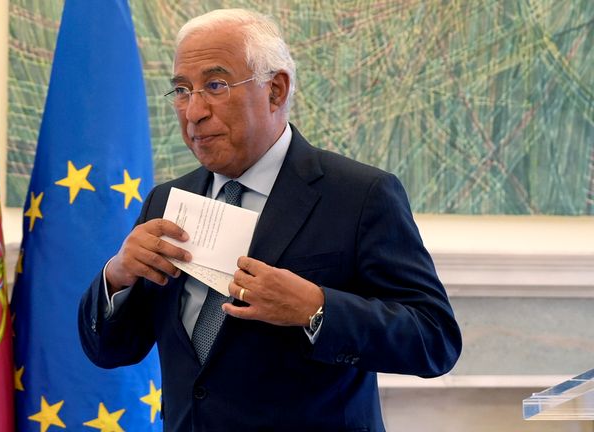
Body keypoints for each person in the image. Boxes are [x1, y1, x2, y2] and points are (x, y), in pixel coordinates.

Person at [79, 8, 461, 432]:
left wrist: (316, 309)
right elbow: (111, 351)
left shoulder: (360, 195)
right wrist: (116, 277)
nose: (193, 112)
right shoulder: (166, 200)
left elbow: (435, 340)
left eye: (215, 85)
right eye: (182, 91)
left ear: (275, 91)